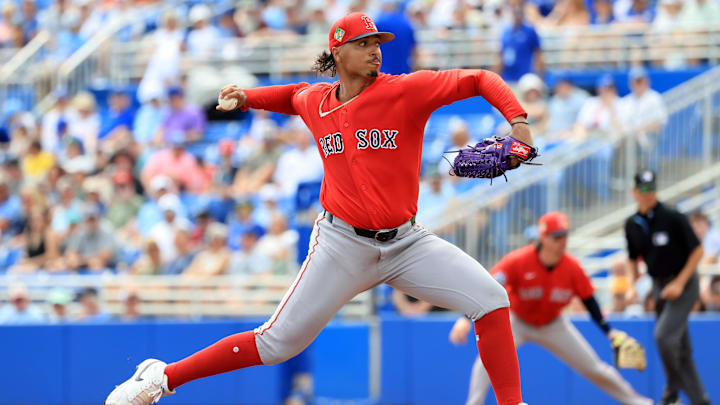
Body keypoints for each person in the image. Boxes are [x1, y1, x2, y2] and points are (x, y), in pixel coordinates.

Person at [106, 12, 533, 405]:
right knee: (277, 343)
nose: (375, 50)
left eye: (377, 42)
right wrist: (249, 97)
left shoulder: (404, 91)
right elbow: (293, 96)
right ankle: (162, 377)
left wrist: (518, 122)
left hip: (406, 243)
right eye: (364, 43)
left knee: (490, 298)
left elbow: (479, 78)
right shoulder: (318, 102)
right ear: (338, 52)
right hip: (341, 243)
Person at [449, 212, 652, 405]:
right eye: (556, 237)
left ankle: (639, 403)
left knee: (594, 367)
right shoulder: (518, 261)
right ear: (543, 238)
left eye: (564, 236)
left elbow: (590, 301)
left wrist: (609, 331)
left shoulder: (572, 267)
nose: (562, 241)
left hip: (554, 324)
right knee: (488, 361)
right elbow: (486, 285)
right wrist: (464, 318)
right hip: (518, 322)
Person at [624, 170, 710, 405]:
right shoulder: (632, 224)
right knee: (681, 348)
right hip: (658, 286)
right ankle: (700, 400)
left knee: (664, 337)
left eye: (651, 188)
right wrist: (633, 285)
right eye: (643, 189)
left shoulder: (672, 216)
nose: (648, 193)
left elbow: (698, 250)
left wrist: (680, 283)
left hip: (684, 283)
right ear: (634, 192)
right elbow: (632, 258)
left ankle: (672, 387)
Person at [498, 0, 544, 83]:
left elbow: (538, 54)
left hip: (525, 77)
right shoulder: (506, 31)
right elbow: (501, 56)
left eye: (519, 11)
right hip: (508, 77)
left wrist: (540, 76)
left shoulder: (530, 31)